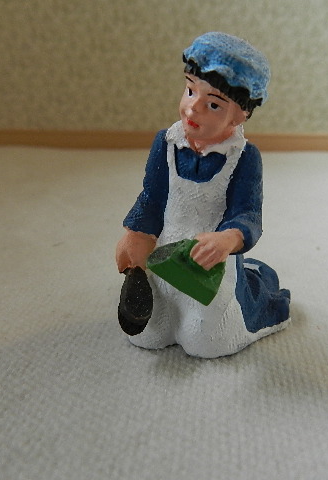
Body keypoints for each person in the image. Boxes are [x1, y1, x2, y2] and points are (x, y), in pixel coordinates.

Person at [115, 32, 290, 358]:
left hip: (210, 264)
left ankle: (257, 288)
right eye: (190, 90)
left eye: (213, 104)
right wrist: (137, 233)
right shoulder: (166, 143)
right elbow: (152, 197)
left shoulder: (244, 157)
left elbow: (248, 213)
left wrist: (227, 239)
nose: (193, 108)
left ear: (239, 115)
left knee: (207, 342)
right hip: (164, 255)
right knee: (147, 333)